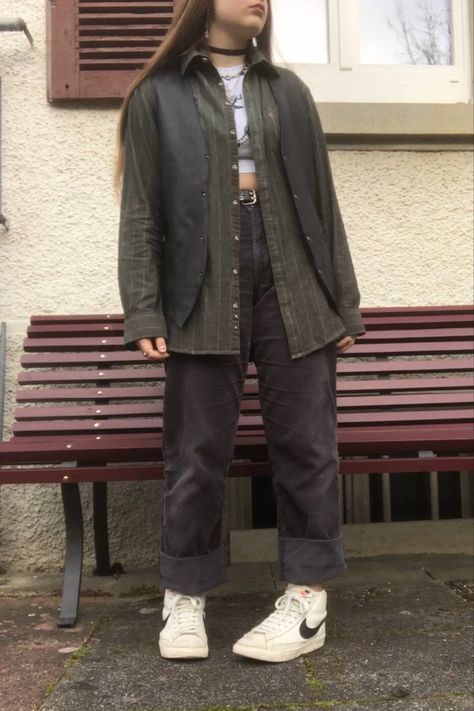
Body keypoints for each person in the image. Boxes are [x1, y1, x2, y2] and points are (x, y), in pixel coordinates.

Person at [115, 0, 366, 664]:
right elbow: (142, 208)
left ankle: (308, 600)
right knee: (195, 451)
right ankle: (185, 594)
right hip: (202, 280)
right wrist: (143, 307)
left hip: (293, 277)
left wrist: (343, 304)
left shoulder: (289, 92)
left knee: (307, 445)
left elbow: (322, 202)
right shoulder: (157, 95)